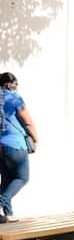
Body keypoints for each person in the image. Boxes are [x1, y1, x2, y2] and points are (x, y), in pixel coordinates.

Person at [0, 72, 38, 223]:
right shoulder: (14, 98)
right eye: (15, 83)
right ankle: (2, 200)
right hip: (14, 144)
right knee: (22, 177)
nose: (16, 86)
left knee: (7, 179)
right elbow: (27, 122)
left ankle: (8, 214)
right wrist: (36, 138)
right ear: (8, 84)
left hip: (0, 146)